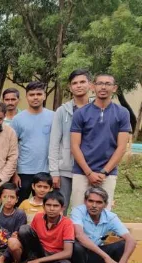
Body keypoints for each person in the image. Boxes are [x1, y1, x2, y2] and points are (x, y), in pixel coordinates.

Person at [70, 73, 131, 210]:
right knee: (78, 212)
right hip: (82, 172)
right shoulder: (80, 113)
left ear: (114, 88)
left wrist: (104, 172)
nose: (103, 87)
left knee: (104, 214)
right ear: (93, 86)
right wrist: (89, 173)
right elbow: (74, 146)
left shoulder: (122, 113)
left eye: (108, 84)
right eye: (100, 83)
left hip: (107, 174)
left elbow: (121, 147)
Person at [71, 187, 136, 263]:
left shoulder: (110, 217)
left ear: (105, 205)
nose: (94, 205)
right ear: (85, 201)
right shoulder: (78, 211)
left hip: (95, 255)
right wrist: (106, 257)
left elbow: (131, 240)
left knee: (122, 244)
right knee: (76, 246)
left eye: (99, 202)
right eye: (90, 201)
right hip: (78, 257)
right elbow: (79, 235)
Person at [49, 69, 91, 215]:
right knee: (61, 206)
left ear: (90, 84)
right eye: (75, 83)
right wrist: (54, 171)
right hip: (65, 169)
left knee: (87, 207)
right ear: (70, 87)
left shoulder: (97, 109)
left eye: (82, 82)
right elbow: (54, 142)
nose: (79, 86)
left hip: (90, 168)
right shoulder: (62, 111)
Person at [17, 191, 81, 263]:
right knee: (24, 229)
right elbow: (31, 236)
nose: (51, 209)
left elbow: (68, 253)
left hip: (57, 255)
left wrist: (39, 261)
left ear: (62, 208)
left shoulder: (67, 223)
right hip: (41, 251)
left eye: (55, 206)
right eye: (48, 205)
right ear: (43, 206)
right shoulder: (38, 217)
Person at [11, 81, 55, 205]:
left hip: (46, 170)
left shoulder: (53, 117)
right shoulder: (18, 119)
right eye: (31, 94)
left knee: (45, 206)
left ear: (44, 96)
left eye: (39, 94)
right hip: (24, 171)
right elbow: (12, 148)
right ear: (26, 97)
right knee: (20, 205)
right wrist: (15, 173)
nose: (35, 97)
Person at [0, 183, 27, 263]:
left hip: (14, 251)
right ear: (0, 198)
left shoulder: (20, 214)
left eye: (12, 197)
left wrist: (3, 258)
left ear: (17, 199)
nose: (8, 200)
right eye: (5, 197)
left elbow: (16, 238)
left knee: (13, 242)